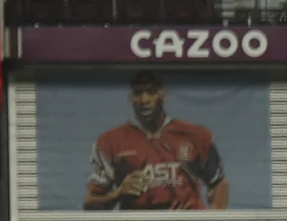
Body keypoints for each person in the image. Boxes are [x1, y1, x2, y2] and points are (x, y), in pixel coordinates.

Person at [83, 71, 228, 210]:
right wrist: (118, 193)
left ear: (163, 95)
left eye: (151, 92)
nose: (144, 100)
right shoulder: (110, 142)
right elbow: (90, 203)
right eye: (138, 93)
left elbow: (218, 183)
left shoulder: (196, 135)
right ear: (130, 98)